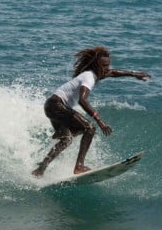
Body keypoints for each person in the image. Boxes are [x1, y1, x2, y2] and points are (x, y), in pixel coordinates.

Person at [32, 46, 150, 177]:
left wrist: (134, 74)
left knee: (67, 139)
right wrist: (100, 121)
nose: (107, 68)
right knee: (90, 128)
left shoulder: (95, 73)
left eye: (108, 65)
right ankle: (79, 166)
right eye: (104, 65)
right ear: (96, 65)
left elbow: (114, 73)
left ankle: (40, 169)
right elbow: (82, 100)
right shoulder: (89, 77)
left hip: (51, 106)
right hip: (57, 105)